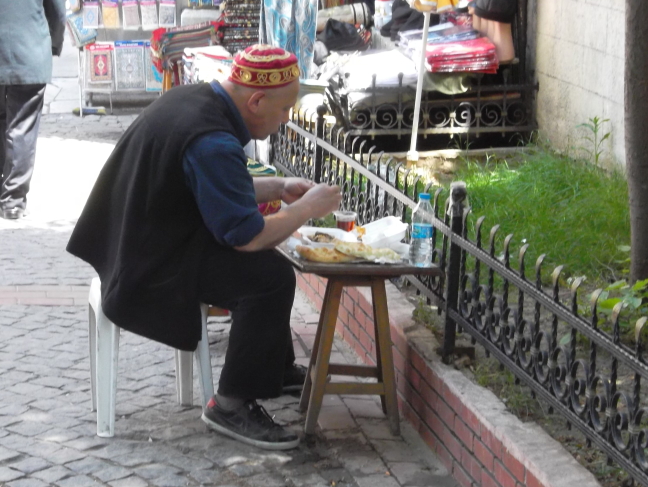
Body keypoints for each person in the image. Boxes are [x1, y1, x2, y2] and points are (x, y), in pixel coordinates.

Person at [67, 44, 342, 450]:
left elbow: (216, 186)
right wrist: (304, 209)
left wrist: (280, 188)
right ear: (257, 100)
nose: (286, 120)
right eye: (284, 110)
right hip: (150, 264)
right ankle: (230, 404)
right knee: (269, 276)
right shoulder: (211, 138)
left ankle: (273, 369)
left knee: (269, 266)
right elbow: (247, 236)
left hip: (138, 240)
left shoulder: (196, 99)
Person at [0, 0, 66, 220]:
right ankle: (13, 202)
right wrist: (55, 43)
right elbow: (57, 12)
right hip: (28, 52)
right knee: (22, 127)